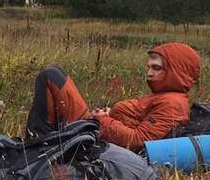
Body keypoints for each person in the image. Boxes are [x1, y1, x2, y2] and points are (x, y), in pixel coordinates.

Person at [25, 42, 200, 151]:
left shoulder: (173, 104)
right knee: (54, 76)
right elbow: (138, 122)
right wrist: (112, 115)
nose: (149, 73)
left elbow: (138, 141)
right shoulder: (165, 96)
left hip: (94, 134)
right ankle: (42, 141)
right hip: (97, 129)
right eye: (148, 67)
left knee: (51, 76)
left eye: (156, 68)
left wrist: (102, 120)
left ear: (176, 72)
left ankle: (37, 145)